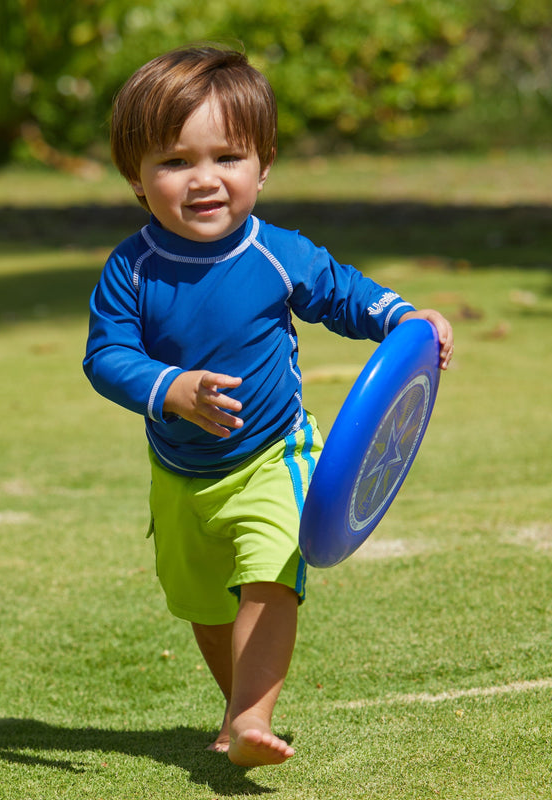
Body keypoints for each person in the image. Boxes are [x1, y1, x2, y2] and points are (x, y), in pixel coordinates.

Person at [83, 45, 454, 767]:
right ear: (135, 173)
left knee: (271, 575)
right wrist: (171, 388)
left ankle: (253, 719)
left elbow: (348, 296)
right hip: (180, 472)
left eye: (228, 157)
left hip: (272, 456)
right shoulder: (131, 269)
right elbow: (106, 357)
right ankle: (235, 710)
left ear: (264, 162)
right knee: (204, 608)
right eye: (175, 162)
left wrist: (409, 319)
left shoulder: (277, 253)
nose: (205, 180)